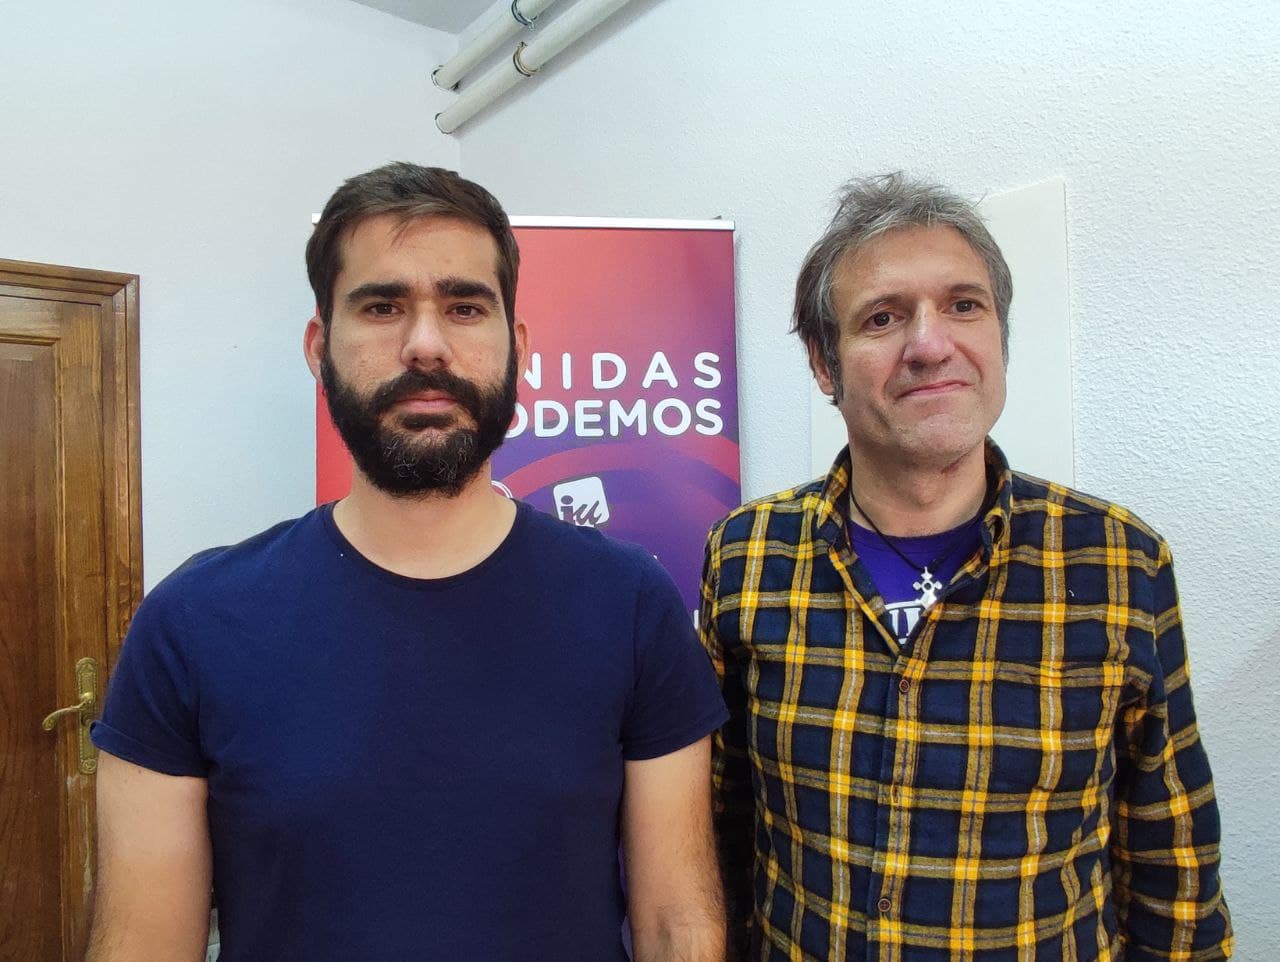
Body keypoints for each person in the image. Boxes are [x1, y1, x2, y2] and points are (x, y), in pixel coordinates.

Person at [87, 162, 728, 962]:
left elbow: (677, 925)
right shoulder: (192, 622)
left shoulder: (631, 604)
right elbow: (143, 944)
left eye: (465, 307)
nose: (426, 345)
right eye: (382, 306)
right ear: (319, 348)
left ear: (518, 347)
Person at [701, 172, 1232, 961]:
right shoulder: (748, 556)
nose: (929, 344)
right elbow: (719, 829)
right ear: (823, 363)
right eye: (883, 317)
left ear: (1001, 339)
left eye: (963, 305)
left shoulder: (1120, 561)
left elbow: (1171, 862)